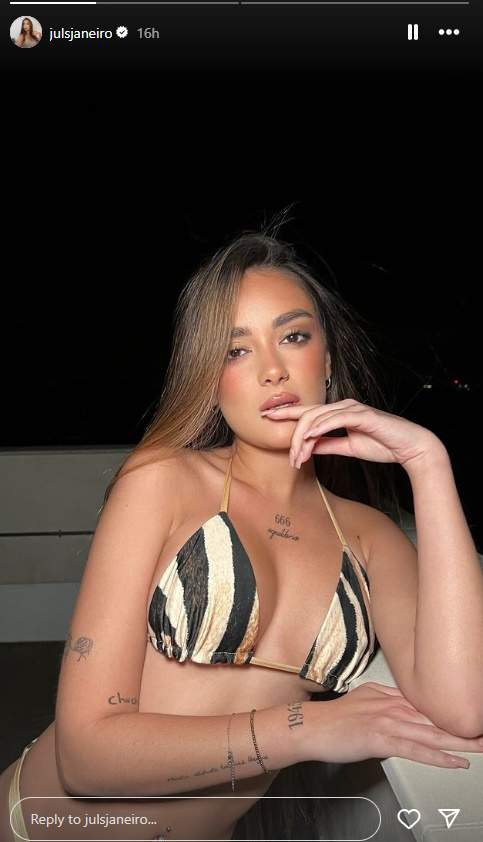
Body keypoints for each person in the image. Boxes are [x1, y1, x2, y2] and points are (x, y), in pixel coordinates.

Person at [2, 220, 483, 842]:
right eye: (237, 350)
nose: (273, 370)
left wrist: (429, 464)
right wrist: (309, 729)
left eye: (294, 336)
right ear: (209, 376)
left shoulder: (371, 538)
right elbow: (86, 758)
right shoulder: (162, 482)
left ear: (327, 361)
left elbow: (465, 708)